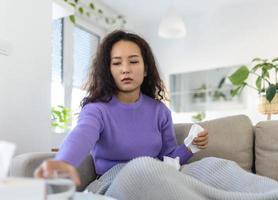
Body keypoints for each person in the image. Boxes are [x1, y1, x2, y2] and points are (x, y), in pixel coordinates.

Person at [34, 30, 209, 187]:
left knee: (219, 166)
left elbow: (169, 158)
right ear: (108, 70)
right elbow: (82, 134)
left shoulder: (160, 111)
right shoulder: (97, 109)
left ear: (146, 69)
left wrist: (190, 146)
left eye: (133, 61)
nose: (125, 69)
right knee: (145, 174)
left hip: (157, 176)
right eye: (117, 63)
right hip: (115, 182)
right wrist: (64, 161)